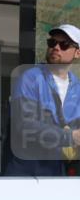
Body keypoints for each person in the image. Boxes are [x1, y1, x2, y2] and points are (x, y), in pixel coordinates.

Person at [5, 24, 80, 176]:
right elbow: (25, 125)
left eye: (64, 44)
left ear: (77, 53)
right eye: (52, 42)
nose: (56, 47)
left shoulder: (77, 87)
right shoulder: (30, 78)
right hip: (25, 172)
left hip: (57, 171)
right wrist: (70, 136)